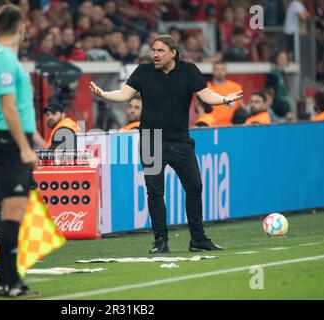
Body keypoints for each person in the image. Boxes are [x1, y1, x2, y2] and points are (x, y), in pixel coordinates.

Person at [89, 34, 242, 253]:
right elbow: (124, 95)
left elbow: (207, 96)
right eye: (153, 50)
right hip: (151, 140)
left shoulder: (189, 71)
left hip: (180, 140)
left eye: (160, 50)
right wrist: (103, 94)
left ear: (173, 53)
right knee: (155, 192)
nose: (155, 54)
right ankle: (160, 242)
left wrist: (225, 99)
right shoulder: (143, 71)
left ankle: (197, 239)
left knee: (195, 187)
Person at [0, 4, 41, 298]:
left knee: (11, 213)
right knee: (14, 213)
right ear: (22, 27)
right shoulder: (4, 58)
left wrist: (37, 139)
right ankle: (10, 282)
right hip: (10, 145)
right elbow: (7, 107)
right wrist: (24, 147)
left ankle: (7, 282)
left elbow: (13, 106)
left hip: (11, 140)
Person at [207, 61, 243, 126]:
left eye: (222, 69)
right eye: (217, 69)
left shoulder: (235, 87)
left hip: (230, 126)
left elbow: (241, 107)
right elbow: (199, 108)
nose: (219, 72)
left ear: (226, 71)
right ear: (212, 71)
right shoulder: (206, 88)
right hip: (210, 126)